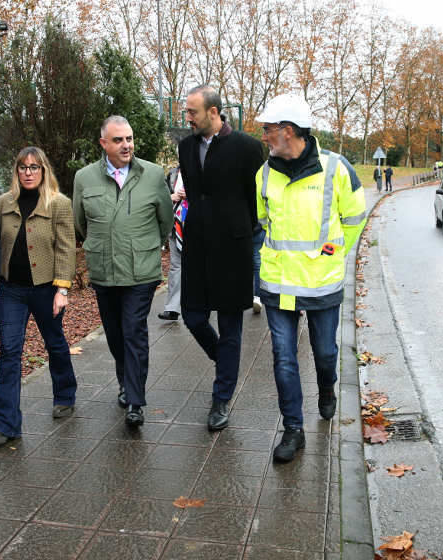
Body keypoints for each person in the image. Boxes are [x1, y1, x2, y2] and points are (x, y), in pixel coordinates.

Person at [255, 93, 367, 462]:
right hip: (279, 284)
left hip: (321, 282)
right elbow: (262, 221)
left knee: (324, 352)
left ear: (288, 131)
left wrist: (333, 254)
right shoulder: (264, 173)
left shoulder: (336, 168)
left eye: (269, 130)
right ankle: (293, 429)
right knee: (283, 358)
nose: (265, 136)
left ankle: (327, 387)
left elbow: (354, 217)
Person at [73, 116, 172, 427]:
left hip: (141, 271)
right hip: (103, 269)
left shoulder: (153, 175)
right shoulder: (84, 178)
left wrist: (145, 246)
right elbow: (81, 223)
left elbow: (164, 220)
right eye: (118, 140)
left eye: (129, 139)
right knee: (115, 335)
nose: (126, 145)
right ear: (103, 143)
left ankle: (135, 400)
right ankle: (124, 380)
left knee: (133, 331)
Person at [177, 85, 265, 432]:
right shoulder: (186, 147)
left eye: (192, 112)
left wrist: (242, 229)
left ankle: (221, 398)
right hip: (196, 247)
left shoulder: (247, 147)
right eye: (186, 111)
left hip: (233, 250)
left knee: (231, 327)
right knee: (193, 316)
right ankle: (224, 362)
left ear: (213, 113)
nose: (187, 118)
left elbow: (255, 198)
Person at [0, 147, 78, 446]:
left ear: (43, 170)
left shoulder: (59, 204)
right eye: (23, 167)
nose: (28, 172)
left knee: (55, 342)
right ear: (16, 171)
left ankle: (64, 394)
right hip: (11, 290)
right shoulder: (3, 203)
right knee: (10, 352)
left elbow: (66, 247)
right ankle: (6, 424)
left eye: (34, 167)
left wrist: (62, 289)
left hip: (46, 289)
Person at [158, 166, 186, 321]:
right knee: (176, 266)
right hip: (175, 226)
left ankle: (203, 305)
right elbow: (161, 197)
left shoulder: (204, 169)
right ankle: (172, 309)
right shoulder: (173, 174)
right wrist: (172, 196)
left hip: (198, 227)